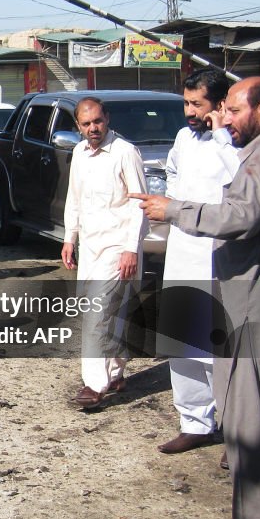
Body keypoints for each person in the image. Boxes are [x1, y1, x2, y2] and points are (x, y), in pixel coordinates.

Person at [134, 77, 260, 519]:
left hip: (252, 304)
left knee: (245, 419)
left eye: (234, 111)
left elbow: (238, 217)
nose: (226, 120)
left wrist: (174, 209)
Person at [156, 70, 240, 455]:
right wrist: (172, 201)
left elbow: (245, 181)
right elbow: (172, 169)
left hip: (216, 257)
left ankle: (237, 433)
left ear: (220, 105)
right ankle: (194, 422)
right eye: (185, 103)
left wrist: (223, 133)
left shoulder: (235, 144)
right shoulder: (183, 138)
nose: (189, 112)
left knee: (218, 350)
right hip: (181, 252)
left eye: (197, 104)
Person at [61, 97, 147, 409]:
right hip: (91, 246)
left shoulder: (125, 152)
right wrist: (70, 237)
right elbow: (75, 198)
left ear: (107, 119)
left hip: (117, 246)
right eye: (86, 124)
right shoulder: (79, 153)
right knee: (111, 311)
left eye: (97, 121)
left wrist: (131, 248)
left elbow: (140, 203)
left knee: (95, 313)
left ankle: (94, 385)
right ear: (78, 127)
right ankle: (115, 372)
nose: (93, 128)